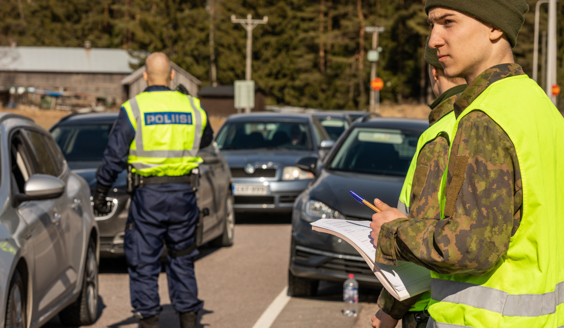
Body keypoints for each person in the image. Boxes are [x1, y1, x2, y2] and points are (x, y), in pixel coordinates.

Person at [370, 1, 564, 327]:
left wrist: (392, 231)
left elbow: (470, 246)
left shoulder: (484, 115)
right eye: (432, 24)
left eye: (448, 22)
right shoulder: (541, 107)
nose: (433, 39)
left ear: (495, 26)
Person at [93, 52, 214, 328]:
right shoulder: (192, 106)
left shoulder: (134, 108)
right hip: (184, 195)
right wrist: (190, 104)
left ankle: (149, 320)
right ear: (172, 76)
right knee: (182, 258)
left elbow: (114, 156)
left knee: (144, 262)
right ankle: (188, 320)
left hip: (148, 198)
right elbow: (207, 138)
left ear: (145, 77)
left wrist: (101, 191)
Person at [371, 38, 466, 328]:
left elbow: (420, 237)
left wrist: (388, 311)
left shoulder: (441, 133)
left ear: (434, 71)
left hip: (431, 307)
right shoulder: (491, 121)